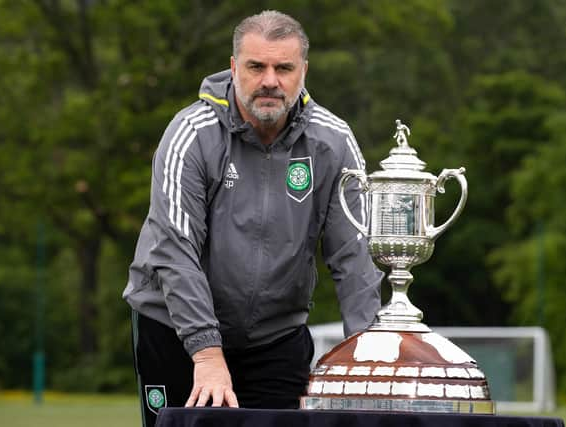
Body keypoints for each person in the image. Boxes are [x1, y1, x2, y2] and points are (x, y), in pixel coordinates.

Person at [123, 10, 382, 426]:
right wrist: (206, 353)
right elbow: (173, 248)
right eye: (256, 66)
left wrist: (364, 355)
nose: (270, 81)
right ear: (233, 67)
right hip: (173, 330)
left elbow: (355, 257)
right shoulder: (191, 133)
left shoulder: (333, 142)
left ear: (303, 71)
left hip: (275, 338)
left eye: (284, 68)